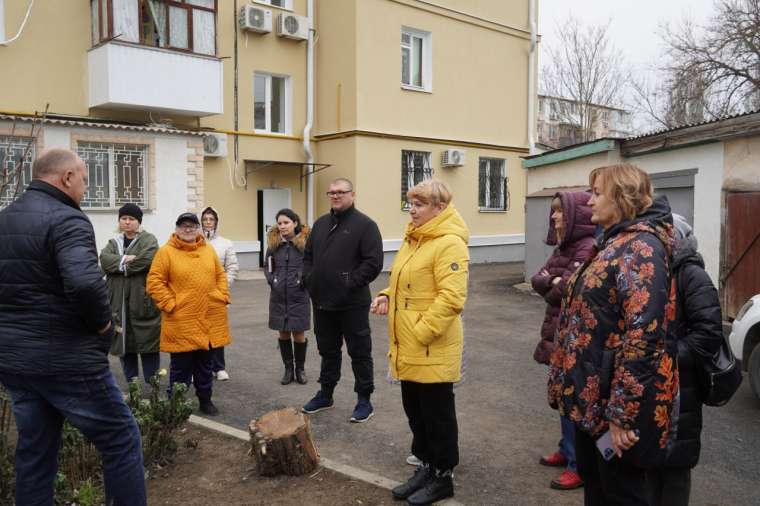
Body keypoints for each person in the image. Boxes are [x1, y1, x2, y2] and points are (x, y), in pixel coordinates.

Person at [0, 148, 146, 505]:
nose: (84, 188)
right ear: (66, 178)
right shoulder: (68, 219)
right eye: (84, 179)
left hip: (15, 361)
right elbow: (83, 283)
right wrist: (104, 328)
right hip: (67, 360)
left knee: (35, 452)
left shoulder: (5, 219)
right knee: (120, 437)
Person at [547, 164, 679, 506]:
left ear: (623, 197)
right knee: (598, 491)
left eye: (597, 193)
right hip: (595, 406)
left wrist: (623, 415)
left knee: (622, 495)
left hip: (614, 412)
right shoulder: (615, 242)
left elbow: (644, 337)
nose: (589, 202)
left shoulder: (641, 247)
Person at [371, 179, 468, 505]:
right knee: (417, 413)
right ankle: (426, 467)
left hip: (431, 345)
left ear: (439, 208)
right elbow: (406, 282)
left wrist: (421, 332)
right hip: (408, 346)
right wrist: (386, 294)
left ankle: (443, 476)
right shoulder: (415, 239)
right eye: (410, 203)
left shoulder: (449, 243)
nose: (411, 209)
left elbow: (452, 298)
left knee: (438, 414)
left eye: (419, 204)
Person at [646, 215, 724, 506]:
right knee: (652, 460)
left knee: (676, 465)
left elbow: (708, 334)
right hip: (656, 382)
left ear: (674, 239)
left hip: (682, 387)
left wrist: (664, 354)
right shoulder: (656, 271)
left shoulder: (691, 275)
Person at [301, 177, 383, 423]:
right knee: (328, 351)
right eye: (331, 192)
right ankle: (326, 394)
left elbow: (373, 263)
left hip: (352, 303)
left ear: (352, 194)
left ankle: (364, 400)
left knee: (359, 352)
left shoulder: (365, 226)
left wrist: (348, 283)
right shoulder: (321, 224)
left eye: (341, 192)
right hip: (323, 302)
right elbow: (308, 257)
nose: (335, 196)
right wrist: (309, 279)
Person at [531, 191, 596, 491]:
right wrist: (552, 281)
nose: (554, 217)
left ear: (576, 217)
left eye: (560, 212)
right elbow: (537, 279)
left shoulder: (586, 247)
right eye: (553, 212)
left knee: (572, 399)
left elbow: (566, 290)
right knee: (561, 396)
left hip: (573, 337)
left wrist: (553, 282)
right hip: (557, 330)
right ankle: (566, 448)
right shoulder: (563, 249)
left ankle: (577, 464)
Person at [147, 212, 231, 416]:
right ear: (176, 228)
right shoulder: (165, 252)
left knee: (205, 364)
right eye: (184, 226)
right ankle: (175, 402)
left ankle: (205, 400)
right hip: (181, 319)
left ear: (198, 228)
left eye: (192, 226)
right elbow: (154, 282)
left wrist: (221, 295)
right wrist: (170, 304)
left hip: (208, 317)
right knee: (180, 367)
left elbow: (220, 275)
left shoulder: (207, 249)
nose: (188, 229)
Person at [100, 203, 162, 385]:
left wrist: (118, 264)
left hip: (142, 302)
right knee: (125, 347)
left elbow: (147, 259)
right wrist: (126, 259)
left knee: (148, 345)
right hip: (118, 303)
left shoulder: (149, 240)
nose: (127, 222)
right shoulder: (114, 243)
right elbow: (104, 260)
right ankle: (133, 388)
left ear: (138, 222)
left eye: (131, 219)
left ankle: (153, 389)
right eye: (124, 219)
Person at [264, 208, 311, 385]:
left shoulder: (305, 244)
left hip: (299, 295)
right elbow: (268, 267)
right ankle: (288, 369)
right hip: (278, 297)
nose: (282, 226)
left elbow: (310, 265)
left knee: (299, 333)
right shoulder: (274, 246)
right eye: (280, 223)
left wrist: (302, 280)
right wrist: (272, 280)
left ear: (295, 223)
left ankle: (300, 369)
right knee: (283, 333)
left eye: (286, 223)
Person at [201, 206, 239, 382]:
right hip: (197, 295)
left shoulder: (225, 243)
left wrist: (222, 287)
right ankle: (202, 367)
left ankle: (219, 367)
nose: (208, 222)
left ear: (216, 222)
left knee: (217, 331)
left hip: (217, 293)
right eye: (205, 219)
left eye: (211, 219)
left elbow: (232, 268)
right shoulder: (194, 240)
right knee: (199, 331)